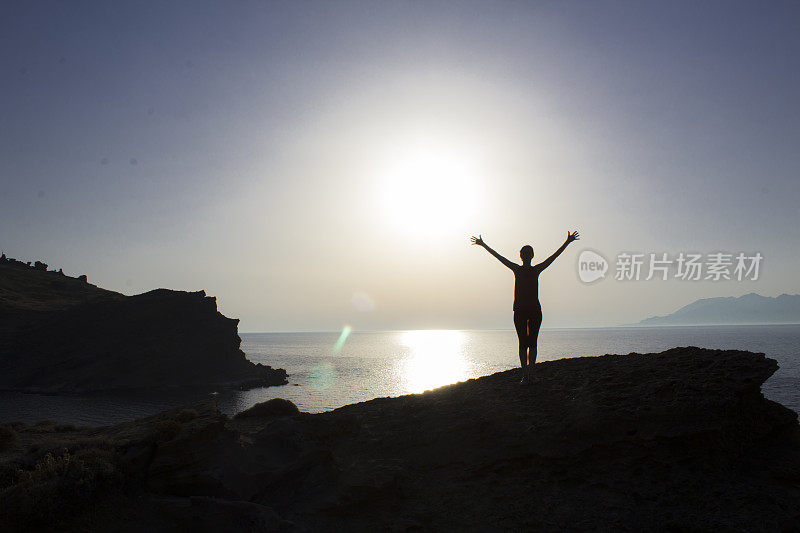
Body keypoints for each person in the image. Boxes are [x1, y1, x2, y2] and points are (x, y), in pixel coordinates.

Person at [471, 231, 580, 384]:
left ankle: (528, 375)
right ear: (524, 256)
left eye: (527, 253)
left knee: (529, 343)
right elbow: (500, 257)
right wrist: (483, 245)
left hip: (532, 311)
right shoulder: (524, 269)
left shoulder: (530, 269)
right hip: (523, 311)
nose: (527, 255)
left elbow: (553, 257)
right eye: (525, 253)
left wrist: (567, 242)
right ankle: (527, 375)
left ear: (526, 256)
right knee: (526, 343)